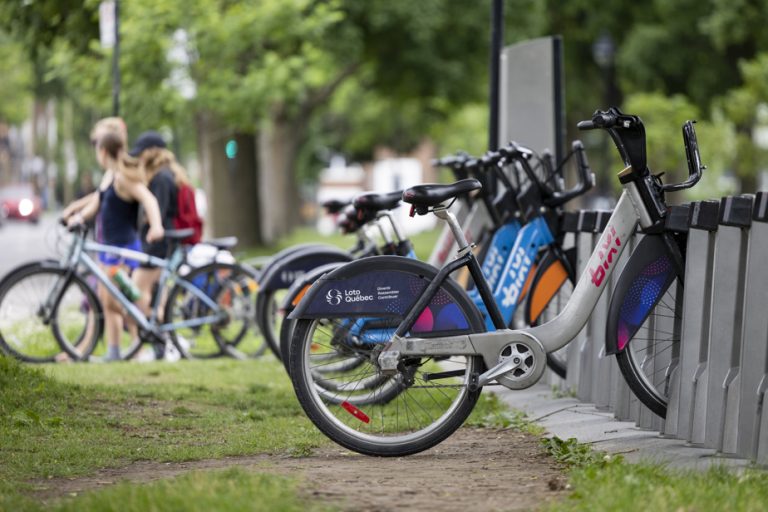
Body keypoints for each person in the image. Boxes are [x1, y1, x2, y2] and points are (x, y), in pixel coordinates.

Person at [66, 129, 164, 361]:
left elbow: (149, 199)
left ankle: (156, 337)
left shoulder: (123, 177)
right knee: (109, 303)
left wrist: (156, 226)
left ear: (103, 151)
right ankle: (115, 351)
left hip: (122, 251)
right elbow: (96, 204)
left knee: (125, 302)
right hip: (108, 249)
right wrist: (78, 218)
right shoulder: (110, 177)